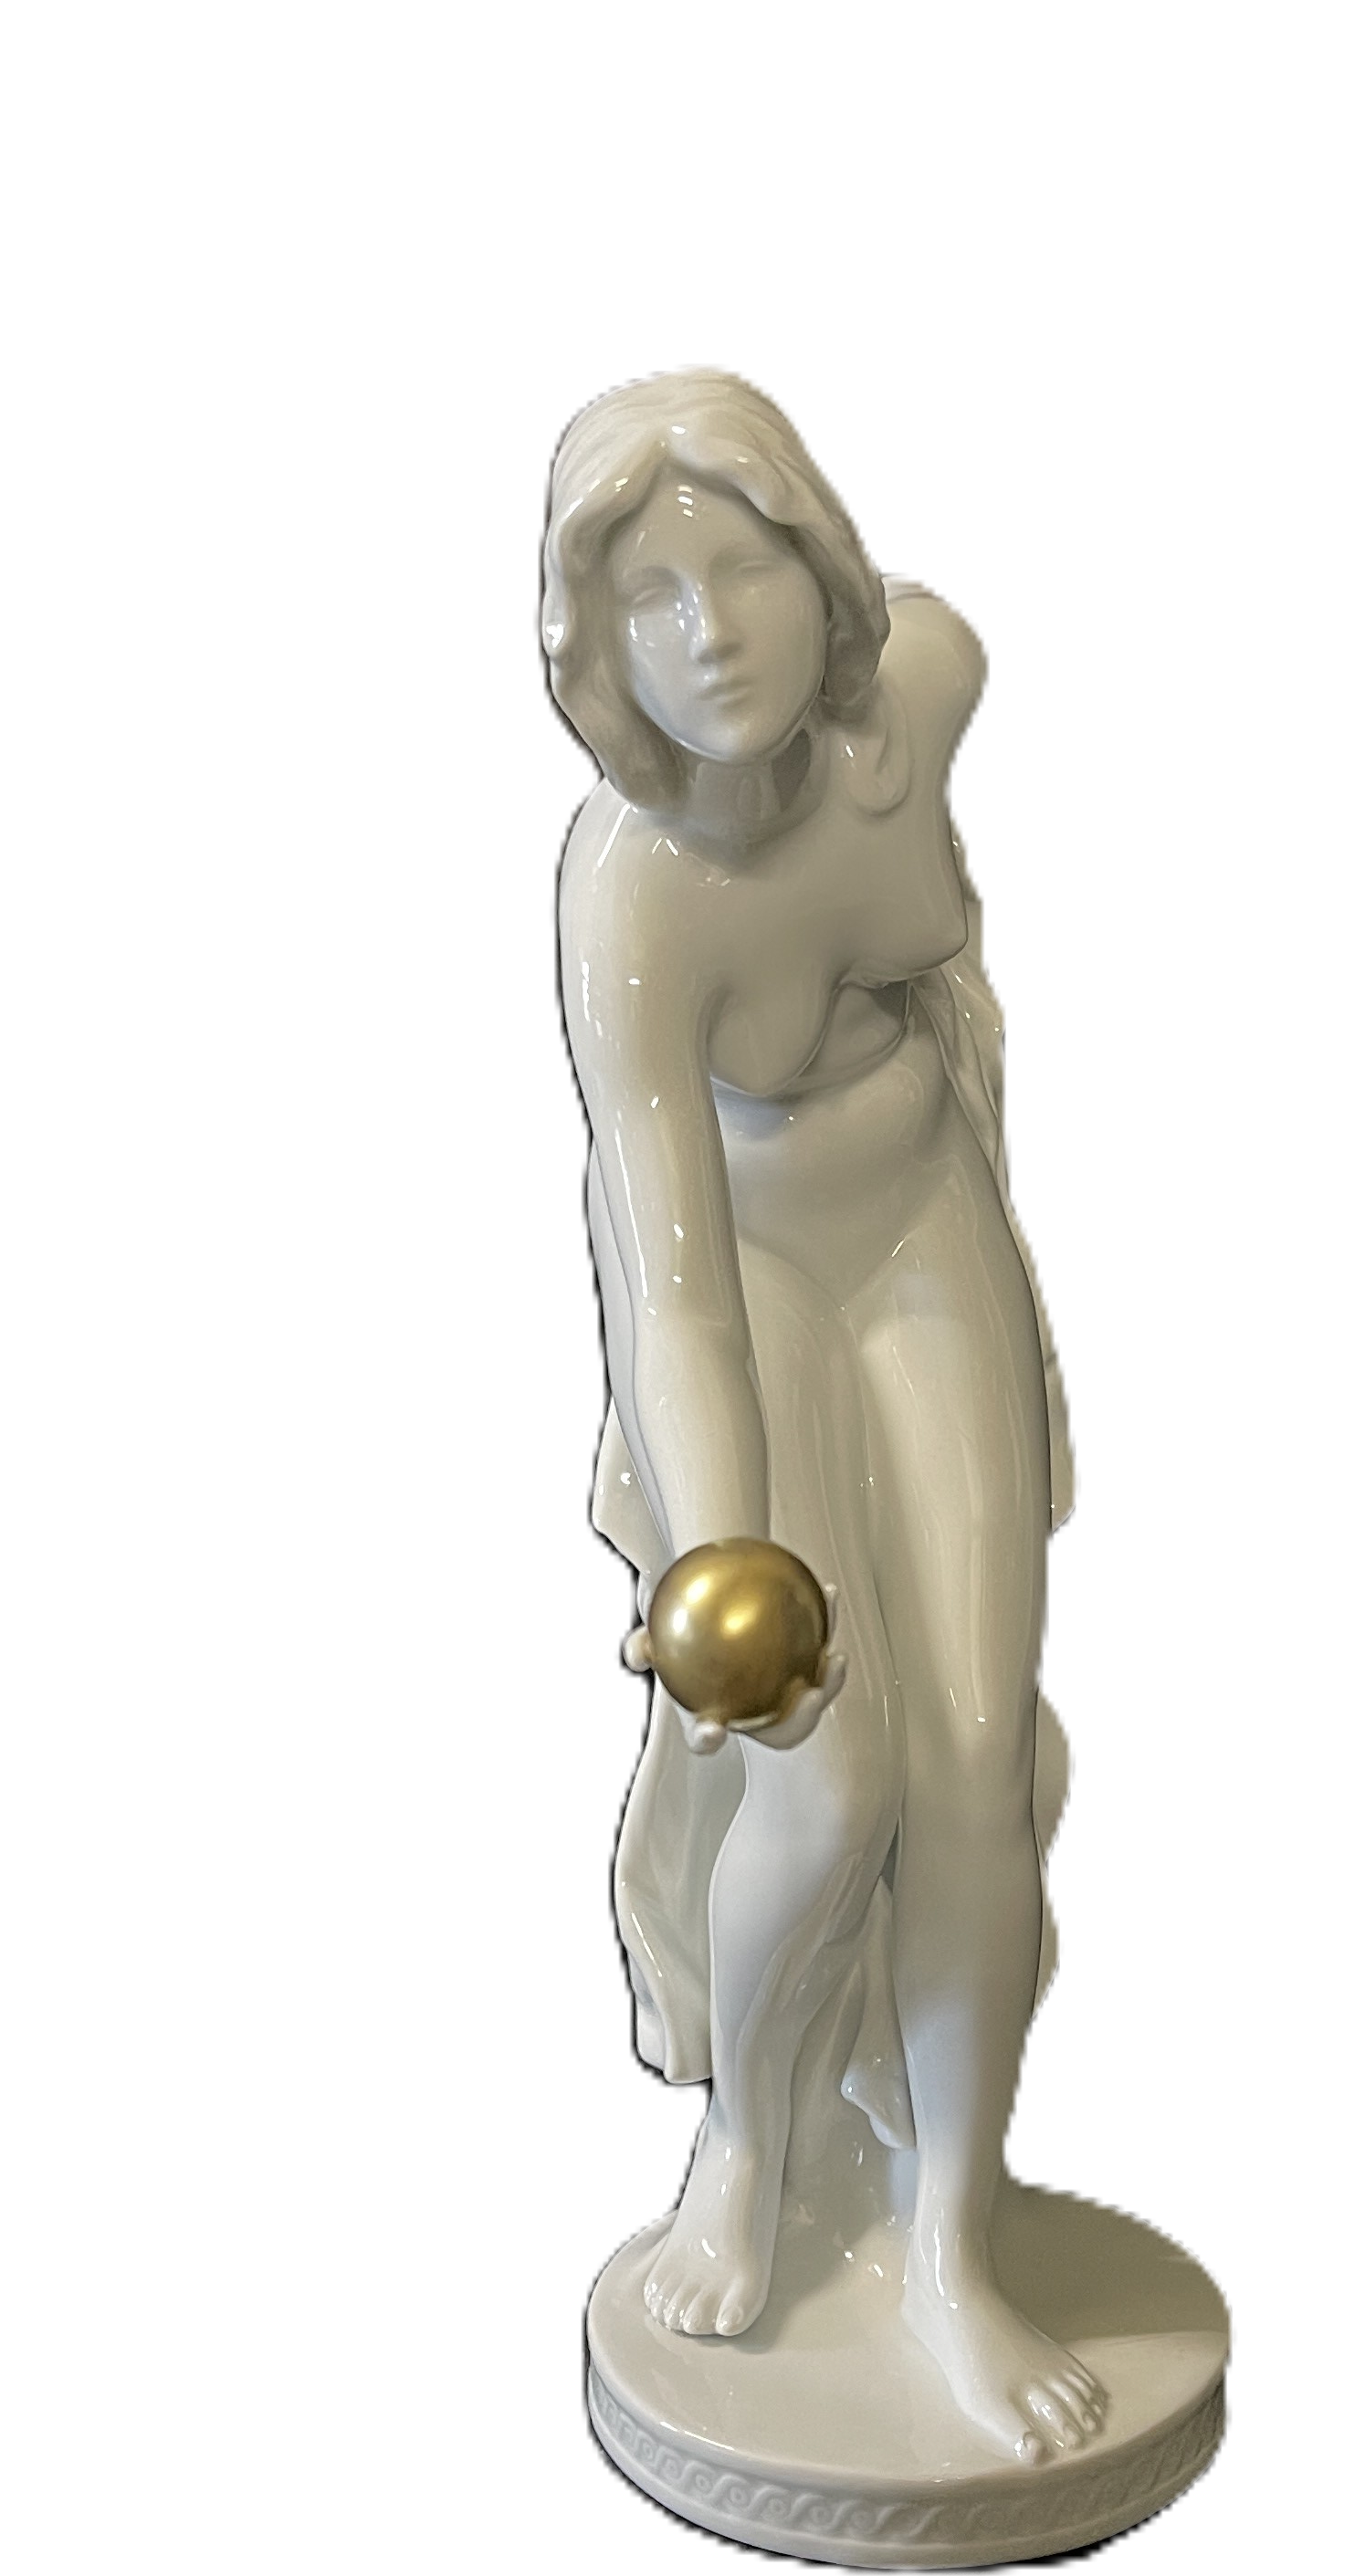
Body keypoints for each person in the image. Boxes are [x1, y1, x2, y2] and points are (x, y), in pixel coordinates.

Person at [545, 372, 1104, 2466]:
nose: (712, 630)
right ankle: (750, 2148)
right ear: (591, 650)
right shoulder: (636, 901)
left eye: (745, 561)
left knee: (972, 1765)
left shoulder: (924, 689)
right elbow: (671, 1267)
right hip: (753, 1274)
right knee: (821, 1775)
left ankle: (952, 2243)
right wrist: (722, 1560)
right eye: (651, 595)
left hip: (918, 1215)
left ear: (820, 552)